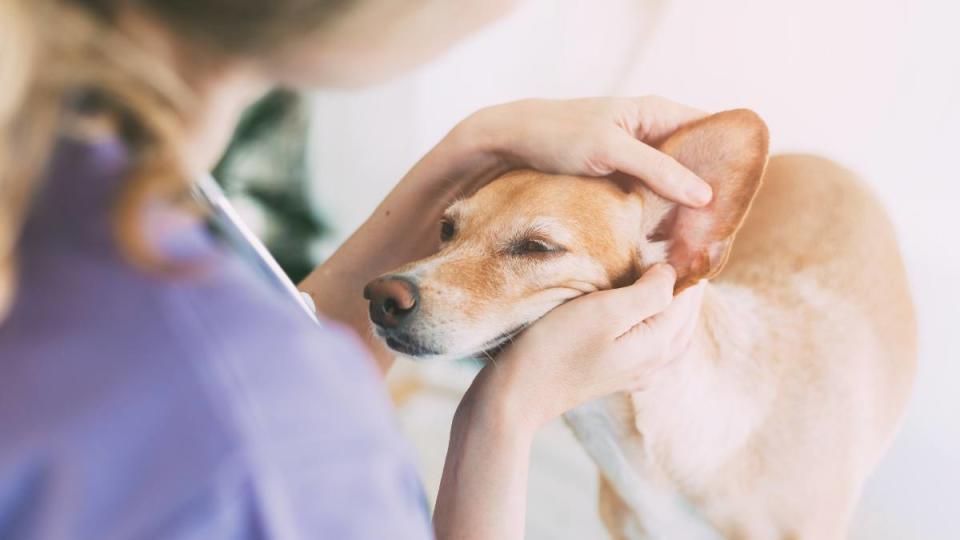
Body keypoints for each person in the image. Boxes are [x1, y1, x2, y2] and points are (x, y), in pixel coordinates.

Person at [0, 1, 710, 538]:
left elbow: (278, 351)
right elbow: (264, 401)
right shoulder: (278, 446)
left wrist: (474, 147)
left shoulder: (68, 165)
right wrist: (506, 413)